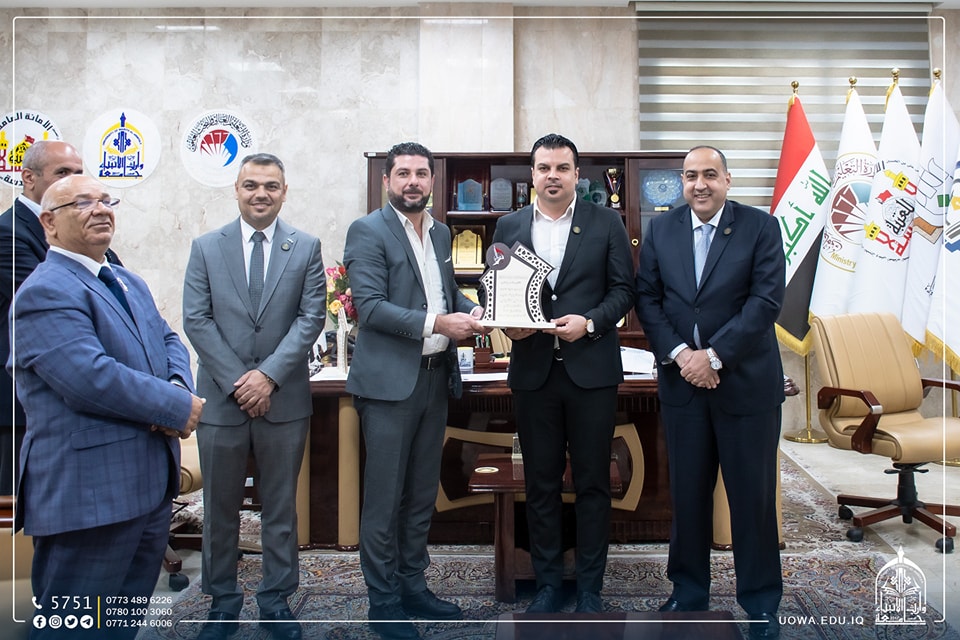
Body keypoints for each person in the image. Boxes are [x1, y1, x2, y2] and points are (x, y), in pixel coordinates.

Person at [10, 174, 204, 638]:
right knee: (74, 629)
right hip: (91, 495)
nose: (100, 209)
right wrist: (175, 407)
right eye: (82, 203)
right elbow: (89, 379)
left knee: (119, 625)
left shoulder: (124, 279)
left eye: (105, 200)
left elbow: (168, 340)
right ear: (49, 223)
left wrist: (178, 385)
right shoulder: (45, 291)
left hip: (147, 489)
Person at [634, 145, 785, 639]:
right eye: (690, 176)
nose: (699, 184)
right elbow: (648, 299)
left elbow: (765, 302)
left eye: (709, 175)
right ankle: (688, 591)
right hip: (684, 387)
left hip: (745, 387)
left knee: (751, 499)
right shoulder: (662, 229)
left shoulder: (760, 227)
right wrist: (683, 356)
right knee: (688, 495)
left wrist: (713, 356)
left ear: (727, 180)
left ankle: (760, 603)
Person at [343, 142, 484, 640]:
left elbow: (444, 292)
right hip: (388, 387)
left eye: (421, 174)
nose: (413, 182)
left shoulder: (441, 232)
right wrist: (439, 323)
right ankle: (382, 603)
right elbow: (371, 307)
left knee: (422, 494)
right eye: (403, 174)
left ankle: (413, 586)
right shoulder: (368, 231)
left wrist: (473, 309)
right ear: (387, 181)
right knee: (384, 500)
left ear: (433, 182)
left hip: (433, 380)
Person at [182, 153, 325, 640]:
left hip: (283, 400)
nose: (260, 193)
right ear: (237, 190)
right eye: (251, 185)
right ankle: (222, 603)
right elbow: (196, 318)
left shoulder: (305, 247)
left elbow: (311, 318)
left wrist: (268, 377)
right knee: (219, 511)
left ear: (284, 192)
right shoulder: (206, 247)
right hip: (222, 401)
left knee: (280, 509)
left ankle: (276, 601)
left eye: (270, 186)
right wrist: (241, 382)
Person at [491, 133, 635, 614]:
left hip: (591, 371)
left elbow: (624, 290)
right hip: (534, 373)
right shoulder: (509, 225)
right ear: (532, 175)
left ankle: (591, 588)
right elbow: (497, 290)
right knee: (540, 483)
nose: (552, 176)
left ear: (577, 175)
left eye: (562, 168)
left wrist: (590, 322)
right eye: (544, 167)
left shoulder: (606, 222)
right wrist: (508, 324)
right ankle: (549, 584)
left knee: (593, 482)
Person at [0, 140, 122, 495]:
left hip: (77, 399)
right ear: (28, 178)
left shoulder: (83, 231)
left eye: (78, 172)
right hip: (23, 406)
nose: (72, 180)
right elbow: (61, 299)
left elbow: (121, 287)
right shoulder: (8, 233)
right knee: (21, 508)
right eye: (62, 172)